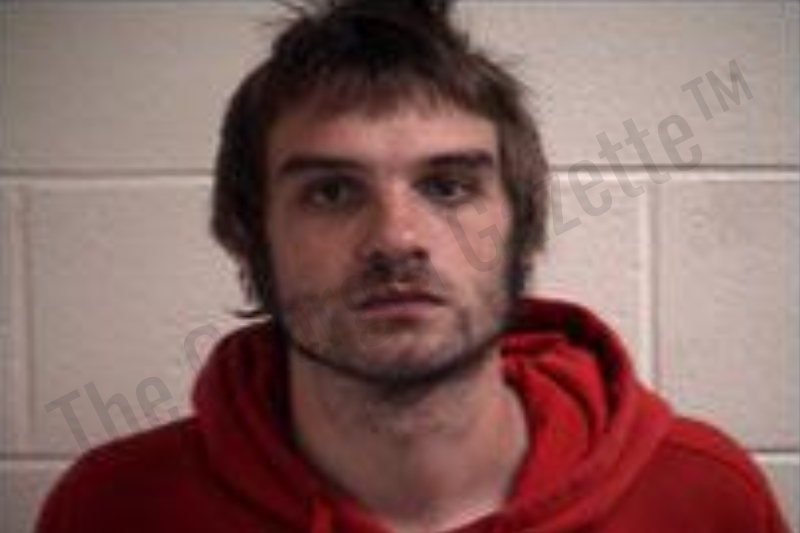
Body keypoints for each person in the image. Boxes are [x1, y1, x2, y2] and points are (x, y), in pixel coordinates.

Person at [37, 1, 790, 532]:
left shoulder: (702, 498)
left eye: (449, 187)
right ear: (246, 232)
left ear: (524, 224)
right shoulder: (114, 509)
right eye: (332, 192)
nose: (396, 238)